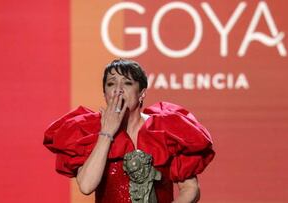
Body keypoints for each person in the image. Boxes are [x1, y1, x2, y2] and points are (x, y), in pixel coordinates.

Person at [44, 59, 215, 203]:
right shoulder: (89, 130)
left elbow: (190, 189)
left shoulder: (165, 130)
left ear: (142, 93)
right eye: (111, 84)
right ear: (105, 93)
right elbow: (87, 186)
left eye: (127, 83)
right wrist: (107, 133)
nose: (118, 89)